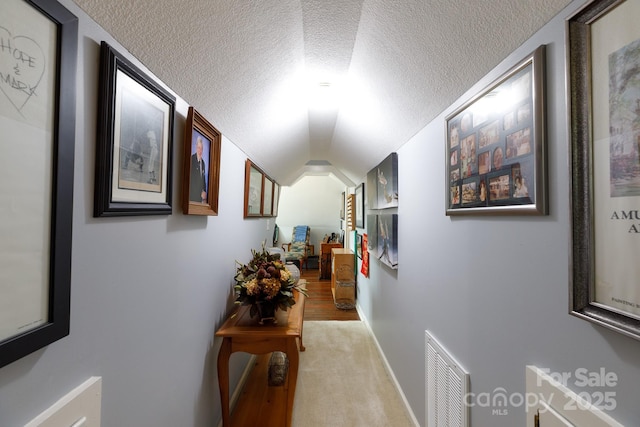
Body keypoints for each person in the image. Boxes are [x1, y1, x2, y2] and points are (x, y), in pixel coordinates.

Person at [190, 136, 207, 202]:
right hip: (192, 197)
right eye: (199, 148)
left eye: (201, 148)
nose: (200, 150)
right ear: (196, 148)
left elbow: (203, 179)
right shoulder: (191, 159)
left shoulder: (203, 163)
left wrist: (204, 191)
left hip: (199, 198)